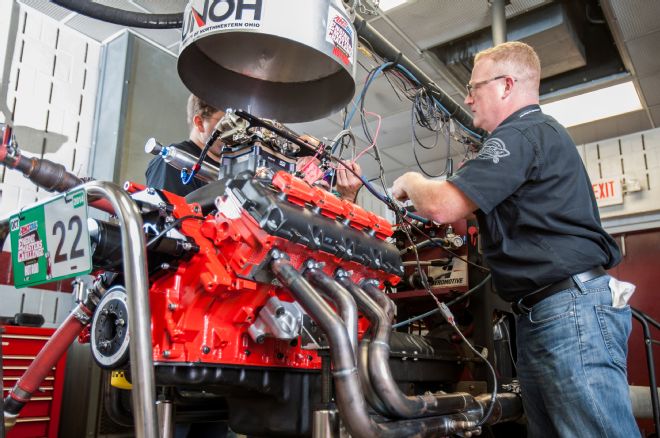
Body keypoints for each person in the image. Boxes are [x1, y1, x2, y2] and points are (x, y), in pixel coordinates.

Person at [392, 42, 638, 437]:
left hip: (568, 310)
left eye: (475, 87)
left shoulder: (522, 133)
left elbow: (441, 206)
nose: (468, 98)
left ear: (506, 86)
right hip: (547, 313)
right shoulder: (532, 139)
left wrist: (411, 181)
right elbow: (464, 213)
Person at [146, 94, 363, 202]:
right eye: (227, 122)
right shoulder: (173, 162)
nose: (240, 130)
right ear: (199, 122)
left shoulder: (248, 164)